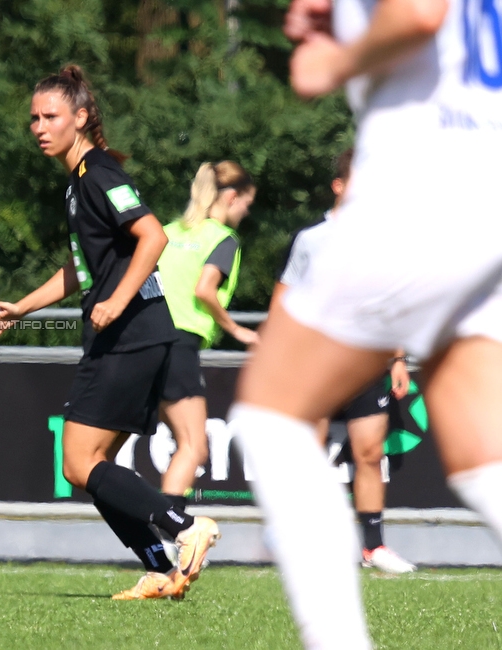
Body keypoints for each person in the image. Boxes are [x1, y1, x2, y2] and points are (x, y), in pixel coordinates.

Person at [229, 1, 502, 647]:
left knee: (274, 415)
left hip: (419, 192)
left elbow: (417, 12)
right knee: (484, 457)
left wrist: (336, 62)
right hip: (484, 194)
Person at [0, 64, 219, 601]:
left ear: (80, 118)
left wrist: (116, 299)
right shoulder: (79, 182)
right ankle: (160, 568)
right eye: (34, 118)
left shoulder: (99, 174)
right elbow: (80, 266)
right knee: (92, 467)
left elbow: (153, 236)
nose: (39, 126)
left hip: (129, 336)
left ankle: (183, 528)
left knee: (79, 462)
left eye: (51, 116)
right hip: (135, 337)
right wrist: (22, 309)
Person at [274, 148, 415, 574]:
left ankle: (373, 548)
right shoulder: (311, 240)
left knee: (369, 454)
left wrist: (398, 359)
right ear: (339, 186)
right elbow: (284, 300)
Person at [155, 161, 257, 510]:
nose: (246, 211)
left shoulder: (166, 232)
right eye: (247, 203)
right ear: (230, 197)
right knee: (194, 446)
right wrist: (235, 329)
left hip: (142, 344)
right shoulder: (223, 238)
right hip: (178, 345)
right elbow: (205, 290)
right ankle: (169, 534)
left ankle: (157, 532)